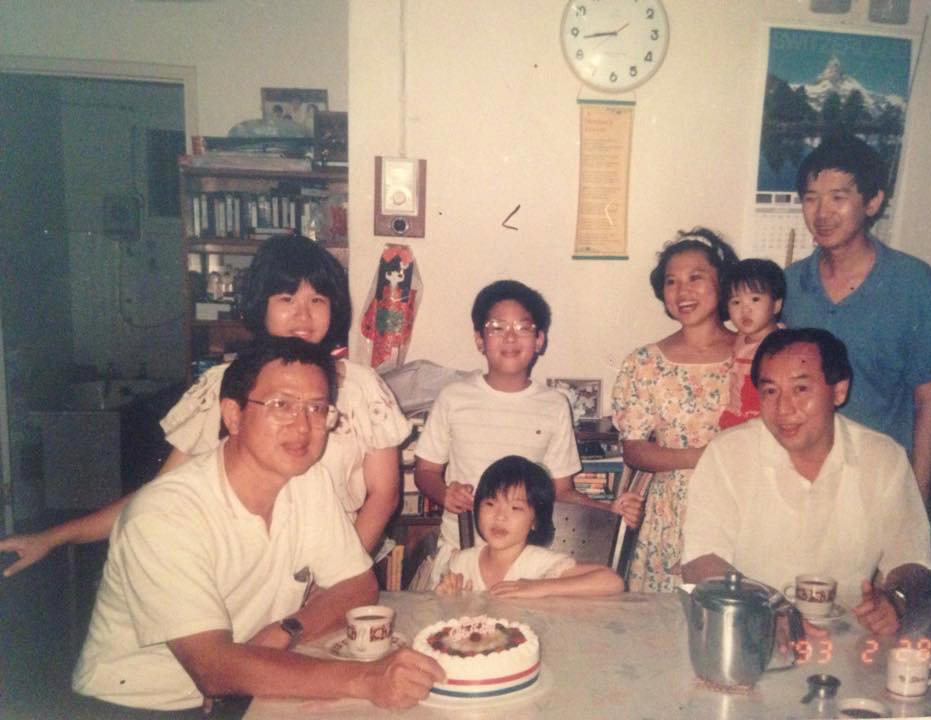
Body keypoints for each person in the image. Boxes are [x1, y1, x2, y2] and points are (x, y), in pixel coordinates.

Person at [71, 339, 443, 714]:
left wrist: (288, 629)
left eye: (317, 408)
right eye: (282, 405)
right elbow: (212, 667)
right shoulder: (164, 515)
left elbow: (357, 584)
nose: (303, 425)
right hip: (143, 704)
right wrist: (366, 680)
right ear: (233, 416)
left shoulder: (306, 481)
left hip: (246, 691)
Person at [0, 234, 409, 576]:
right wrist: (55, 536)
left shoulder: (360, 388)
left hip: (340, 570)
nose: (304, 314)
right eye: (287, 298)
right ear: (260, 305)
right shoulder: (224, 386)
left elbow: (383, 496)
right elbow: (162, 495)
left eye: (318, 299)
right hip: (244, 575)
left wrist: (336, 578)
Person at [681, 328, 931, 636]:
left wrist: (894, 600)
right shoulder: (728, 454)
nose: (784, 409)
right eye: (770, 391)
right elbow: (700, 559)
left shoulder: (882, 458)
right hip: (752, 634)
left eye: (801, 389)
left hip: (850, 640)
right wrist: (760, 613)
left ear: (839, 391)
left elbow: (913, 560)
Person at [415, 279, 644, 587]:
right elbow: (425, 471)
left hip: (522, 560)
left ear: (539, 340)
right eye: (496, 327)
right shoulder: (453, 398)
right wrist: (445, 493)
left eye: (523, 328)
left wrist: (609, 508)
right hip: (461, 558)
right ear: (479, 339)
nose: (510, 337)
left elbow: (561, 491)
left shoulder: (554, 404)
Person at [783, 135, 931, 504]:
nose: (822, 213)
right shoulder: (790, 284)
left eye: (838, 198)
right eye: (811, 199)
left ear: (873, 202)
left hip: (881, 484)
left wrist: (917, 503)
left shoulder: (914, 284)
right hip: (802, 486)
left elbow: (928, 403)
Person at [611, 228, 739, 592]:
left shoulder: (756, 353)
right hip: (669, 514)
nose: (683, 291)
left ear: (722, 281)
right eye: (672, 282)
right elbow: (634, 449)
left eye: (696, 278)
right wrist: (701, 456)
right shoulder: (644, 362)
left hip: (737, 501)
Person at [434, 455, 624, 597]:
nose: (500, 516)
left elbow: (612, 581)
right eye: (490, 504)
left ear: (535, 521)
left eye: (515, 508)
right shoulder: (462, 562)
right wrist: (447, 594)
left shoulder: (539, 563)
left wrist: (539, 587)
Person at [717, 258, 786, 430]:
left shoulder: (782, 344)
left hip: (765, 424)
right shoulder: (740, 337)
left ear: (776, 305)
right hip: (736, 417)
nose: (745, 309)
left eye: (755, 299)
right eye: (736, 302)